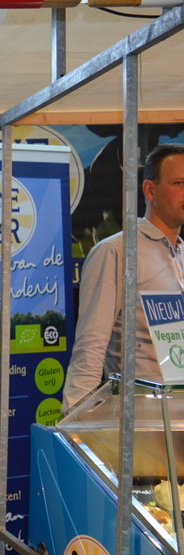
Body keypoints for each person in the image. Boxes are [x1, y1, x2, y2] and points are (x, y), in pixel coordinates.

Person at [65, 143, 184, 410]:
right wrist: (77, 419)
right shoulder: (116, 251)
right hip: (140, 418)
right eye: (179, 183)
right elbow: (91, 346)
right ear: (150, 190)